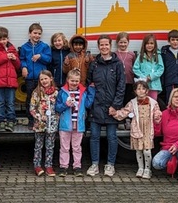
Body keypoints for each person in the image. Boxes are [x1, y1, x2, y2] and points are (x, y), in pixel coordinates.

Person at [86, 35, 126, 177]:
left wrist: (115, 105)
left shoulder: (117, 64)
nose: (104, 47)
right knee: (94, 137)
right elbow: (89, 84)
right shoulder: (94, 64)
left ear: (110, 46)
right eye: (101, 45)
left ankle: (110, 165)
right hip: (96, 106)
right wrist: (91, 103)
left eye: (106, 45)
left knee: (112, 137)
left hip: (111, 108)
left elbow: (121, 86)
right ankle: (94, 164)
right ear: (98, 47)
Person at [114, 80, 162, 179]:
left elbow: (157, 113)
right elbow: (125, 112)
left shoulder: (153, 102)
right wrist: (115, 113)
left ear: (147, 90)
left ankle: (147, 169)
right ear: (135, 91)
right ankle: (140, 168)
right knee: (138, 150)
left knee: (147, 150)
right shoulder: (132, 103)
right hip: (137, 128)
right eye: (138, 89)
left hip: (147, 128)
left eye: (143, 89)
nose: (141, 91)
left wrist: (157, 116)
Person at [55, 69, 95, 177]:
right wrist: (65, 105)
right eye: (72, 80)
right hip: (65, 124)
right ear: (67, 80)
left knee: (77, 147)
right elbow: (57, 107)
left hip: (78, 124)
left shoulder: (83, 92)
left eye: (76, 81)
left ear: (79, 81)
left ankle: (77, 166)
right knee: (64, 147)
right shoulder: (62, 92)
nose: (74, 83)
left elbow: (87, 104)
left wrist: (91, 90)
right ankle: (63, 166)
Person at [0, 26, 20, 132]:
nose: (2, 41)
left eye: (4, 39)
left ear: (8, 39)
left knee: (10, 103)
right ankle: (1, 121)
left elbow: (18, 66)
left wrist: (15, 59)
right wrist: (6, 57)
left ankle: (11, 121)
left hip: (10, 82)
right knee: (0, 103)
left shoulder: (12, 49)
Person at [20, 22, 52, 128]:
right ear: (30, 34)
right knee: (30, 99)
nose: (37, 35)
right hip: (30, 78)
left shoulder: (44, 46)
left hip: (41, 79)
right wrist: (24, 67)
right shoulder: (24, 47)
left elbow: (49, 59)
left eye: (39, 33)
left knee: (42, 99)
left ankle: (42, 119)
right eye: (35, 33)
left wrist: (40, 56)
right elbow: (22, 59)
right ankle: (31, 120)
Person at [29, 70, 59, 176]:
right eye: (41, 79)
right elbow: (32, 108)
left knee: (50, 146)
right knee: (38, 146)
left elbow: (59, 108)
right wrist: (39, 116)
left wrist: (56, 118)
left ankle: (49, 166)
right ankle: (37, 166)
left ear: (51, 79)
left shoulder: (56, 92)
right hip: (39, 124)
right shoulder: (36, 92)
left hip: (52, 124)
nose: (44, 81)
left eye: (46, 78)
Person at [132, 34, 164, 100]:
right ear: (144, 45)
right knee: (142, 102)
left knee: (152, 102)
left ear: (155, 44)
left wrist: (151, 77)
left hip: (154, 85)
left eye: (151, 43)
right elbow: (135, 68)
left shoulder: (158, 55)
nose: (149, 45)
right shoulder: (140, 56)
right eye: (147, 43)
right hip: (142, 86)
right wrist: (144, 77)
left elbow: (161, 68)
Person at [115, 31, 136, 106]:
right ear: (117, 42)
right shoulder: (115, 54)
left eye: (125, 42)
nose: (123, 44)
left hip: (129, 82)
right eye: (121, 42)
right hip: (118, 82)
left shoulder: (132, 54)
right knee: (119, 101)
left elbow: (134, 66)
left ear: (128, 42)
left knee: (128, 101)